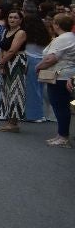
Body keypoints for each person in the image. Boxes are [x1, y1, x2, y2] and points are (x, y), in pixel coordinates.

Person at [36, 13, 75, 147]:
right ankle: (60, 134)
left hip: (60, 76)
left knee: (60, 106)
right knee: (60, 106)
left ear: (57, 25)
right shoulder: (69, 37)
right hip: (63, 75)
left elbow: (51, 58)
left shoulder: (63, 39)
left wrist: (38, 67)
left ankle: (63, 136)